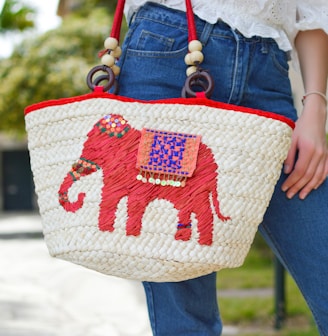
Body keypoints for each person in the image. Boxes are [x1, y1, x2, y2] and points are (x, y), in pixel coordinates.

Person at [114, 1, 328, 334]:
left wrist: (315, 104)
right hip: (168, 59)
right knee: (184, 303)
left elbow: (312, 11)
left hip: (267, 76)